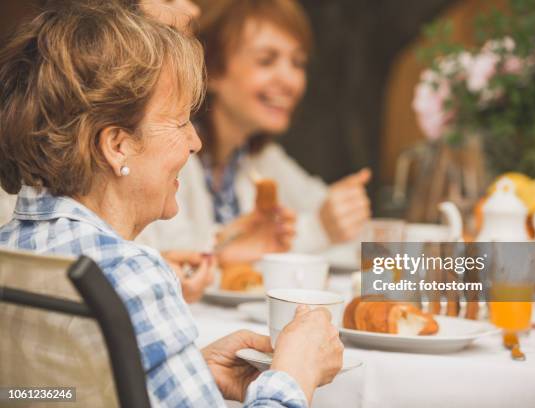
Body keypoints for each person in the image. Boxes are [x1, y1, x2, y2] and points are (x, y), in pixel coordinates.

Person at [0, 2, 343, 406]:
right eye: (180, 122)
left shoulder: (12, 247)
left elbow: (49, 392)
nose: (195, 142)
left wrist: (181, 372)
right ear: (117, 145)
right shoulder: (130, 272)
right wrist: (294, 375)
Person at [137, 0, 372, 255]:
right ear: (212, 70)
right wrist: (319, 229)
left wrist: (345, 212)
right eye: (266, 61)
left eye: (298, 63)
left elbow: (323, 208)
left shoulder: (257, 158)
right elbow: (176, 260)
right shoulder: (171, 154)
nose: (290, 80)